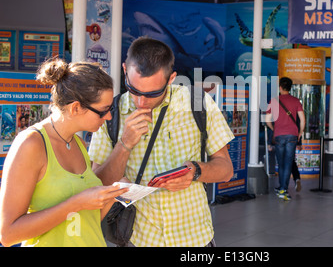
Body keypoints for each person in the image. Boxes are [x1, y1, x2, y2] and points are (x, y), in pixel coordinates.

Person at [89, 37, 234, 247]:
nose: (140, 101)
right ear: (124, 70)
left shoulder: (197, 103)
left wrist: (196, 171)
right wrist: (125, 144)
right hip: (139, 239)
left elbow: (226, 169)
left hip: (194, 238)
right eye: (133, 89)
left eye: (152, 93)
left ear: (171, 78)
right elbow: (97, 183)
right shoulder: (111, 113)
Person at [0, 59, 127, 247]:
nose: (108, 117)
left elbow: (81, 222)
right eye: (103, 111)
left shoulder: (79, 144)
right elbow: (8, 235)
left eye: (111, 109)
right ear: (76, 108)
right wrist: (76, 203)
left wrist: (110, 197)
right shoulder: (31, 144)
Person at [266, 77, 305, 201]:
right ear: (290, 87)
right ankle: (283, 188)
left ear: (280, 87)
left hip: (279, 135)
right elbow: (303, 119)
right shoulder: (296, 101)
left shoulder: (274, 100)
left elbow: (267, 120)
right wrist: (300, 132)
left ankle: (283, 188)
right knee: (288, 163)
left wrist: (274, 128)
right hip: (292, 135)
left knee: (281, 163)